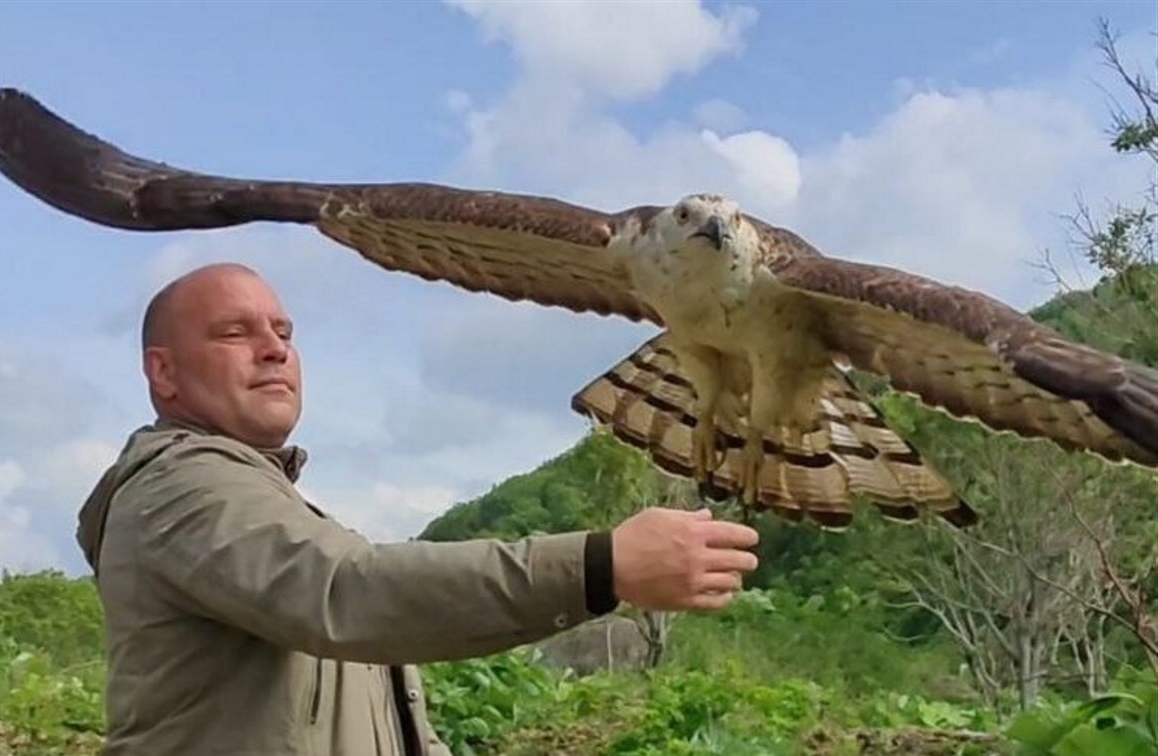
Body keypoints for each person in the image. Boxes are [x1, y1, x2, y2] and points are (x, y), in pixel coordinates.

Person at [76, 262, 760, 755]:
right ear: (163, 372)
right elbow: (349, 593)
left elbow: (374, 701)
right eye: (234, 332)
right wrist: (599, 567)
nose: (275, 348)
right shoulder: (179, 489)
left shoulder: (279, 512)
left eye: (284, 329)